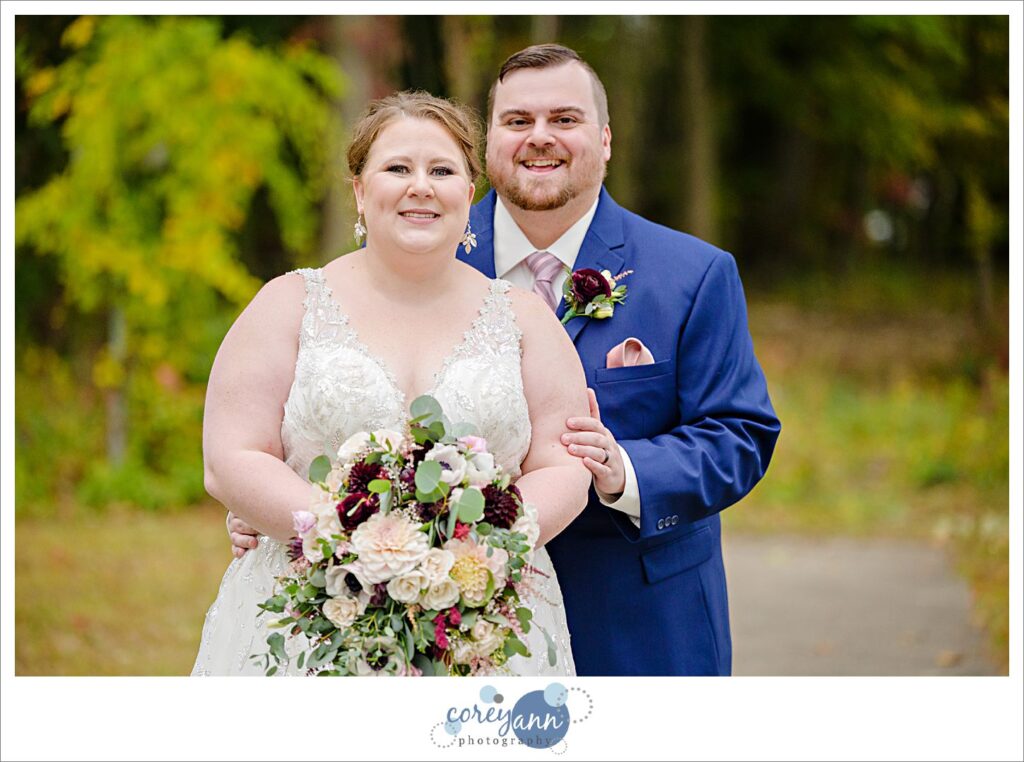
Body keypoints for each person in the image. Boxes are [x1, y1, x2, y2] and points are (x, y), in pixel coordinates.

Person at [230, 44, 781, 676]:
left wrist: (622, 470)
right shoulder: (419, 251)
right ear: (488, 146)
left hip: (637, 619)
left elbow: (740, 434)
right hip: (419, 625)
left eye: (564, 120)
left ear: (605, 140)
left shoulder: (692, 274)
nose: (539, 138)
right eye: (517, 121)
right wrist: (282, 510)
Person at [193, 91, 591, 676]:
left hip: (481, 622)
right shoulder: (288, 305)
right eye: (397, 168)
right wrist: (351, 543)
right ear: (358, 188)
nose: (421, 186)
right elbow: (230, 457)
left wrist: (470, 547)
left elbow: (565, 464)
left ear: (471, 190)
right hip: (308, 615)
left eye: (442, 170)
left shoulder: (525, 318)